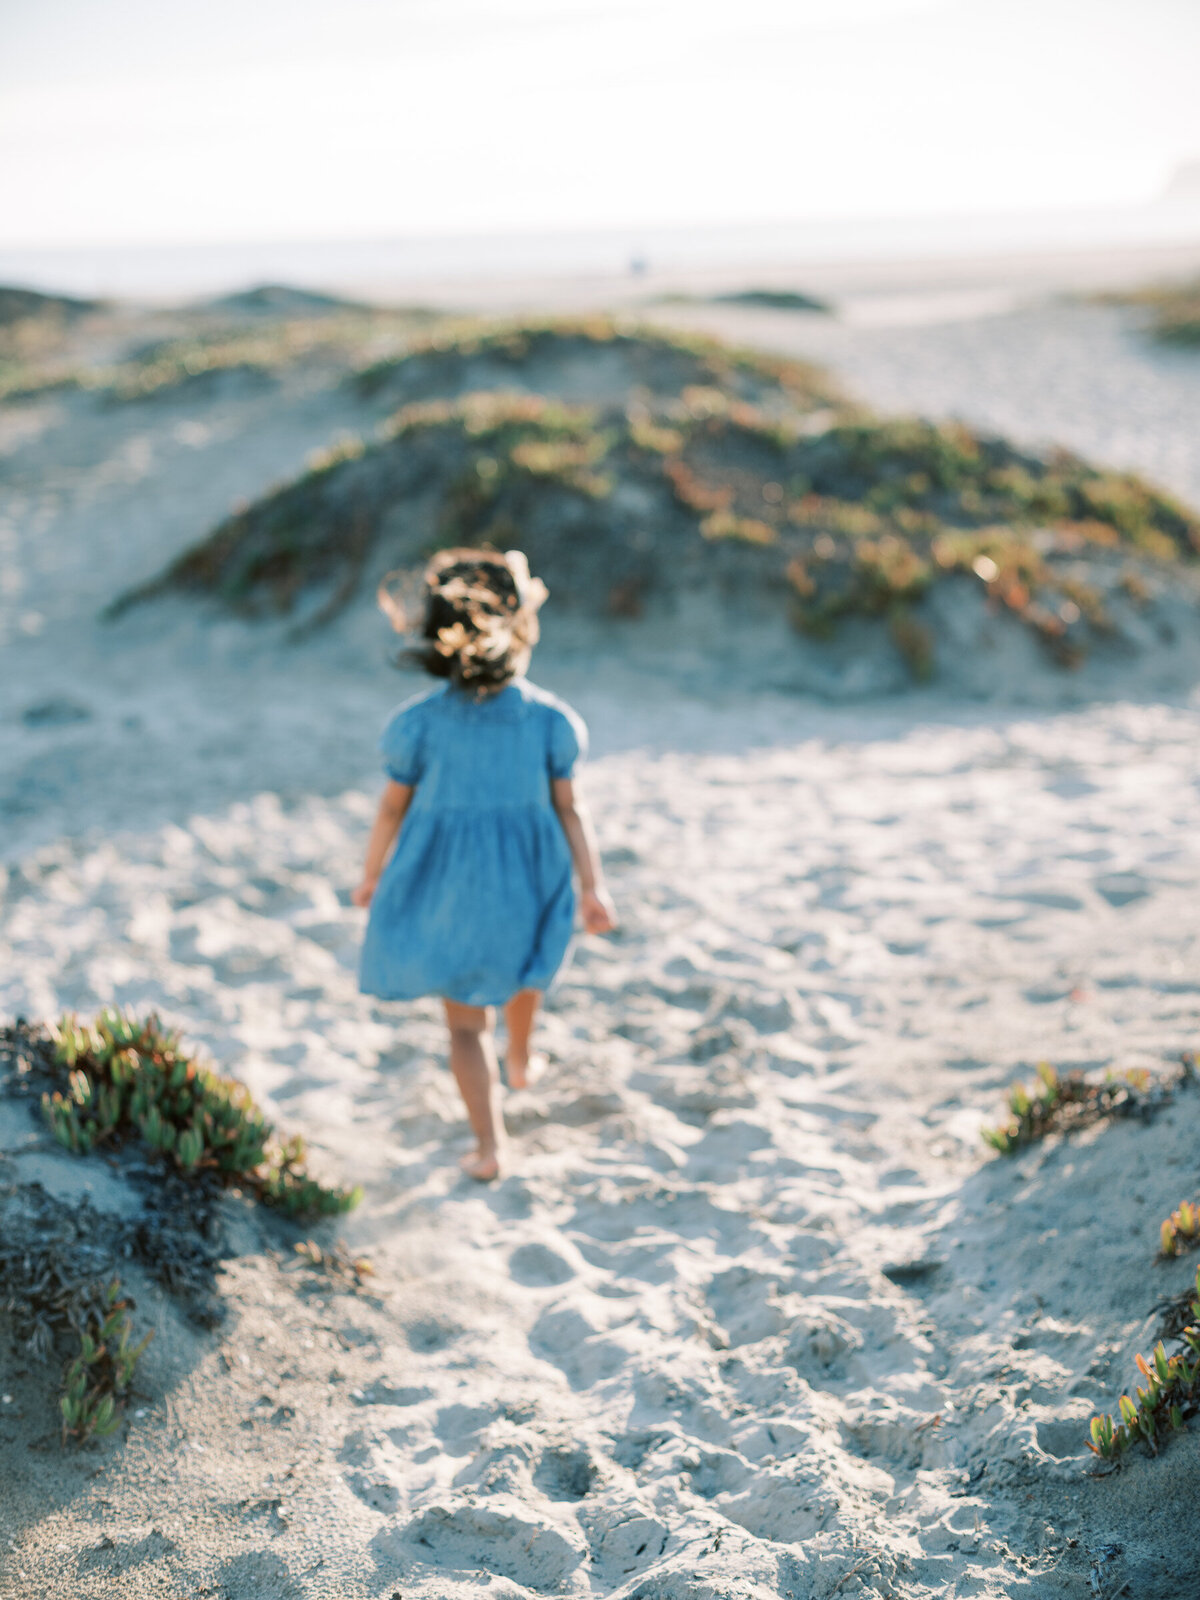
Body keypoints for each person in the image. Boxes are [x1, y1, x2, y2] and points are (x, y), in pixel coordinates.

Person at [353, 547, 616, 1180]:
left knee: (466, 1028)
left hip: (451, 886)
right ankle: (521, 1061)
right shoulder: (550, 721)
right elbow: (571, 810)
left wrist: (370, 875)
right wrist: (593, 885)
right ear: (521, 630)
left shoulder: (417, 725)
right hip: (531, 874)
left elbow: (390, 812)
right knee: (525, 971)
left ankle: (490, 1147)